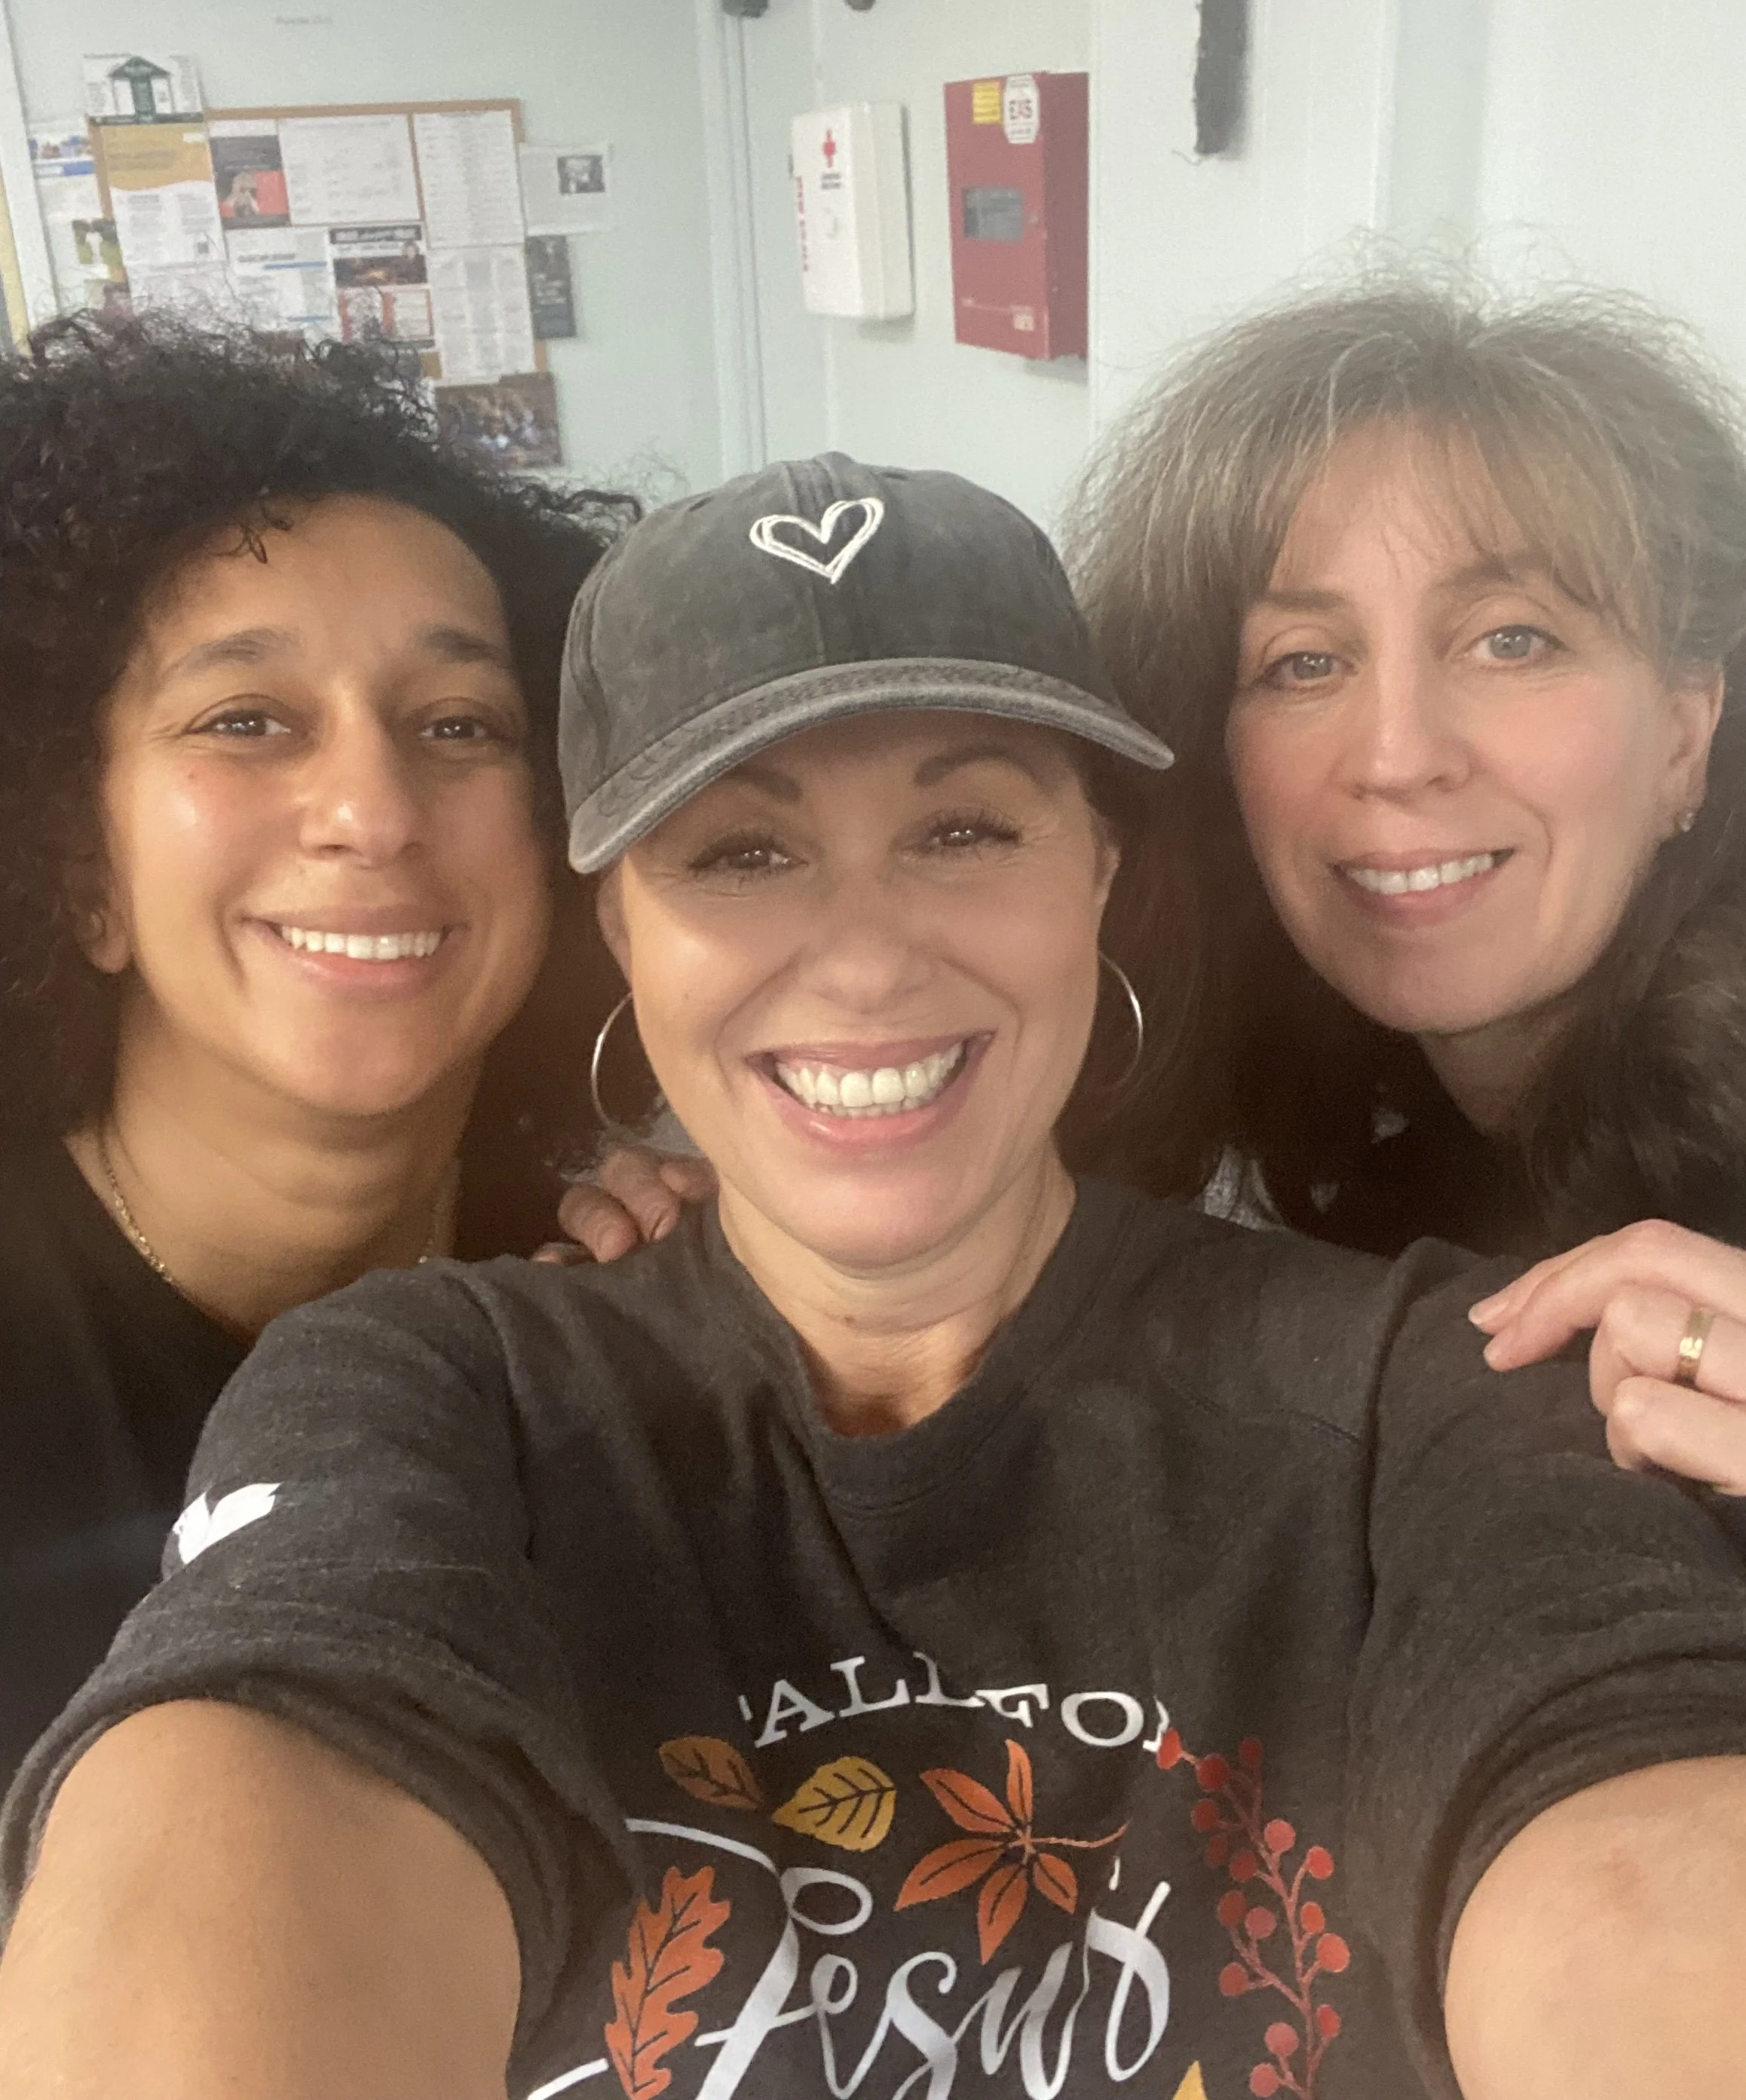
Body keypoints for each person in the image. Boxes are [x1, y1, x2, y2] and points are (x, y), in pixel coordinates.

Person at [4, 453, 1745, 2100]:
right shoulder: (426, 1387)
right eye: (743, 851)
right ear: (617, 923)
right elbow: (267, 1778)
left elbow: (1636, 1867)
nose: (862, 954)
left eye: (964, 828)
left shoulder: (1440, 1389)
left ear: (1098, 870)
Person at [0, 312, 632, 1785]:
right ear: (79, 871)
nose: (374, 811)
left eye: (460, 724)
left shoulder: (623, 1292)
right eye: (247, 718)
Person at [1068, 277, 1746, 1497]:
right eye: (1304, 663)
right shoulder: (1322, 1129)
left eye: (1511, 640)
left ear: (1687, 736)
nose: (1396, 756)